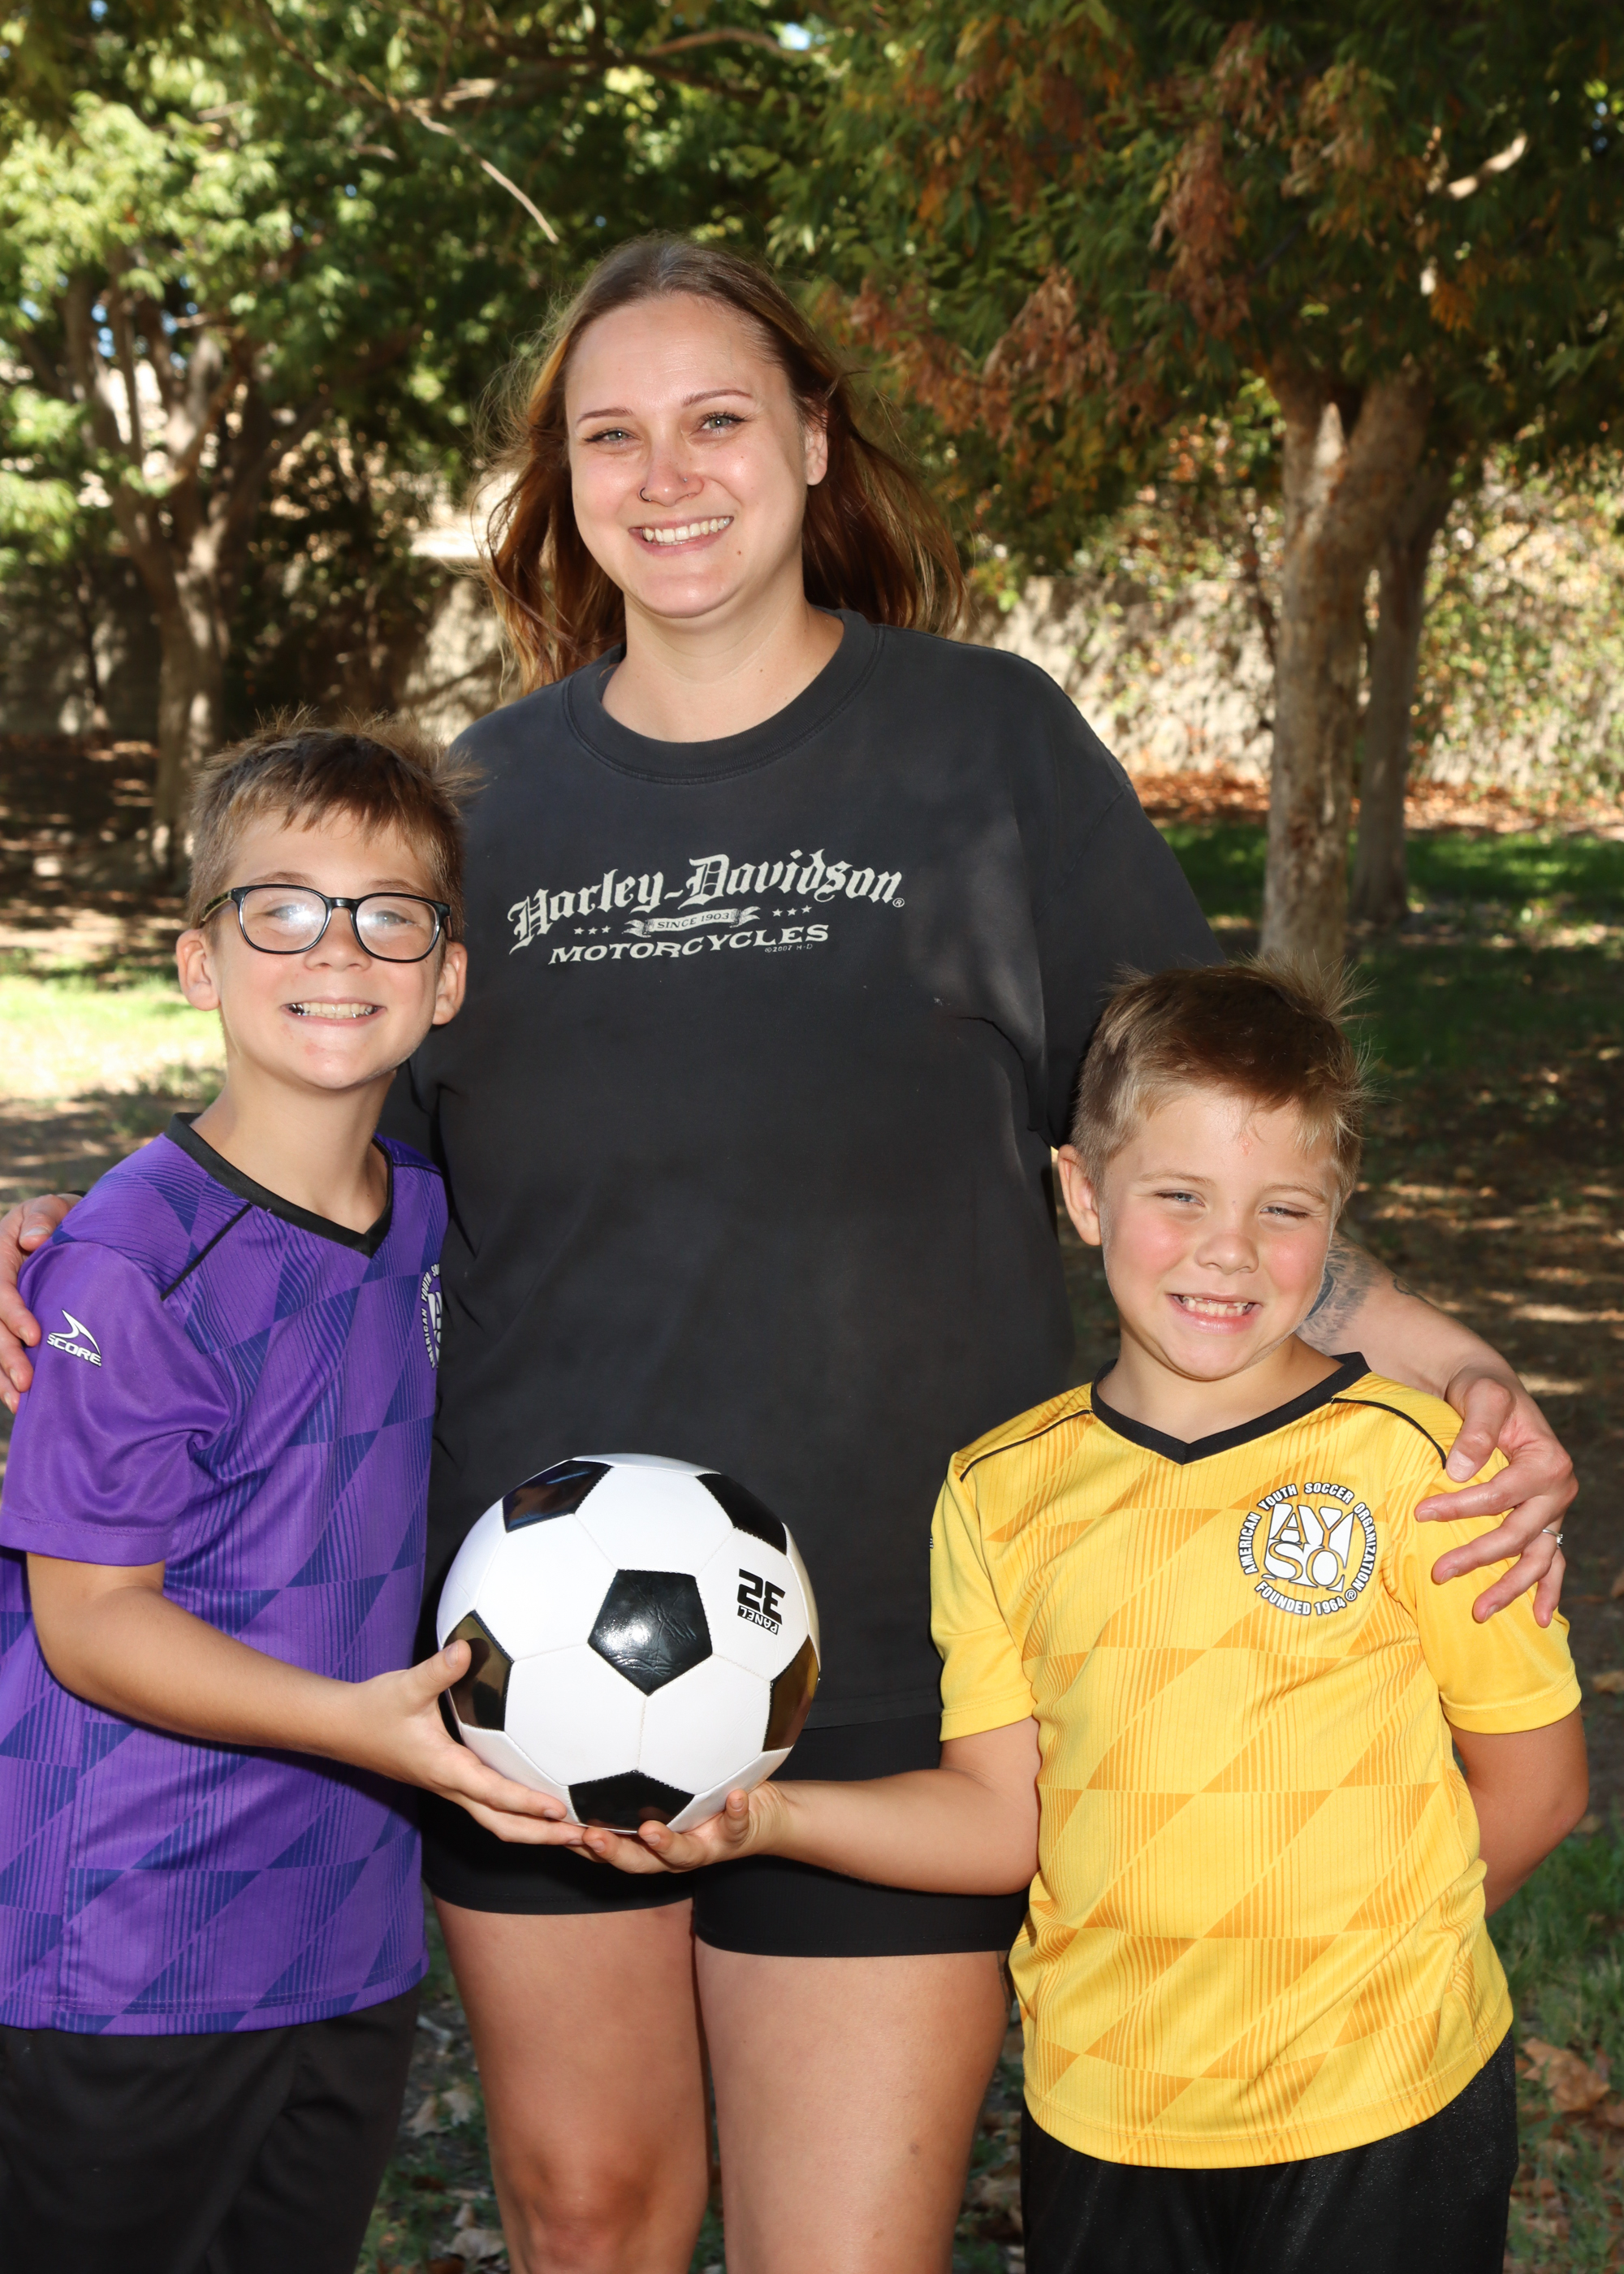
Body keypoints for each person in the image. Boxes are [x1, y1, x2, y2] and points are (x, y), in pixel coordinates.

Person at [0, 241, 1574, 2274]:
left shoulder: (986, 748)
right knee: (590, 2218)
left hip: (903, 1662)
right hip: (521, 1654)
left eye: (717, 419)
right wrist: (61, 1245)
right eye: (611, 435)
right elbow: (311, 1135)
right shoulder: (490, 804)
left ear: (814, 440)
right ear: (562, 483)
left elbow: (1198, 1150)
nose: (666, 475)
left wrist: (1450, 1362)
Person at [588, 960, 1587, 2274]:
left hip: (1384, 2109)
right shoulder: (999, 1492)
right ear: (1081, 1192)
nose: (1229, 1250)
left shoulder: (1425, 1466)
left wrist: (1371, 1974)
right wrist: (768, 1820)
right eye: (1179, 1196)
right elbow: (1003, 1816)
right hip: (1106, 2117)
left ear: (1338, 1219)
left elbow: (1538, 1785)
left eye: (1283, 1209)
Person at [0, 722, 561, 2273]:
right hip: (123, 1946)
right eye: (283, 909)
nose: (338, 949)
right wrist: (368, 1726)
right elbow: (92, 1627)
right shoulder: (129, 1262)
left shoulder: (432, 1218)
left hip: (341, 1937)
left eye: (390, 915)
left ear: (448, 978)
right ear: (200, 962)